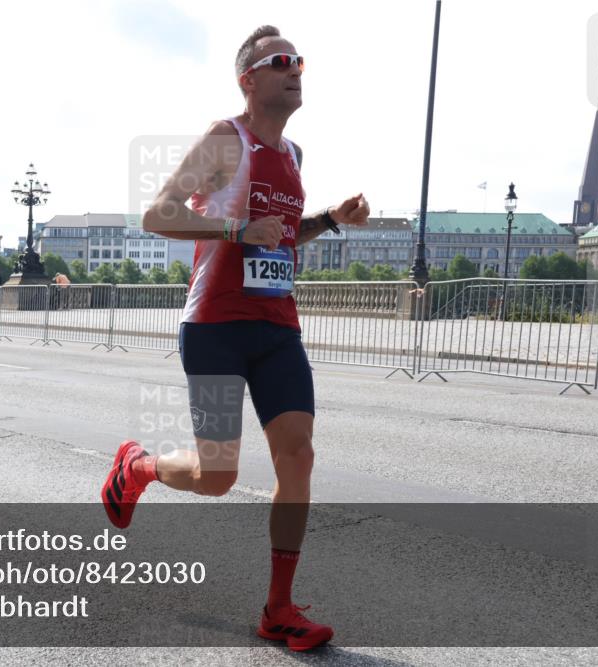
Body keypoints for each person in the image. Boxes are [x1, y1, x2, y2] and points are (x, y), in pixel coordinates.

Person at [100, 26, 369, 652]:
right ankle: (136, 467)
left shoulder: (295, 153)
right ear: (248, 79)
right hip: (215, 329)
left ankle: (279, 609)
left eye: (299, 61)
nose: (295, 70)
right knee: (218, 476)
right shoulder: (227, 140)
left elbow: (277, 236)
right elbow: (159, 212)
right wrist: (236, 227)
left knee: (298, 456)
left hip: (277, 329)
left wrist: (328, 219)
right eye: (280, 62)